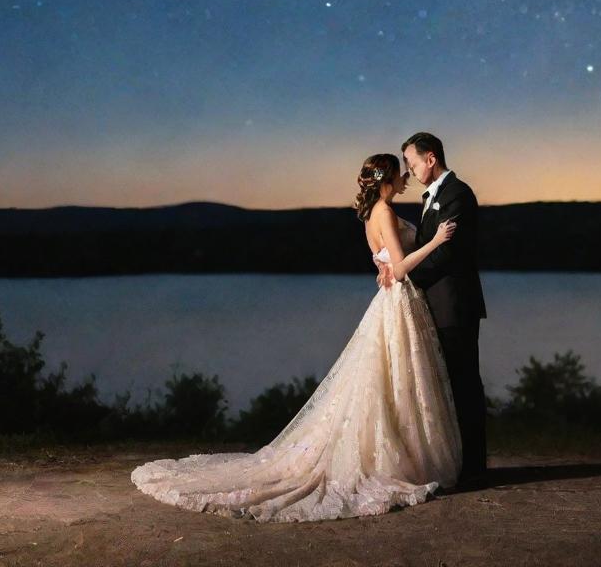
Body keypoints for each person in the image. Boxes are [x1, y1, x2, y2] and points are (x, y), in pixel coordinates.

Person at [130, 153, 462, 522]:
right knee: (394, 377)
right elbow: (398, 270)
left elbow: (383, 261)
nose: (405, 179)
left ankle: (401, 453)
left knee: (388, 379)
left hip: (390, 303)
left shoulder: (370, 215)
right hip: (398, 300)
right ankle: (400, 460)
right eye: (400, 175)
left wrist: (383, 266)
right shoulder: (383, 211)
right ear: (386, 180)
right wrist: (436, 241)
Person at [381, 132, 487, 488]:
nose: (408, 170)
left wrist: (407, 278)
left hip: (454, 305)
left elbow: (447, 252)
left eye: (411, 161)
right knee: (445, 387)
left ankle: (474, 468)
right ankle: (456, 464)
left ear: (430, 159)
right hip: (435, 306)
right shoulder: (431, 198)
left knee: (464, 383)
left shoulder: (457, 194)